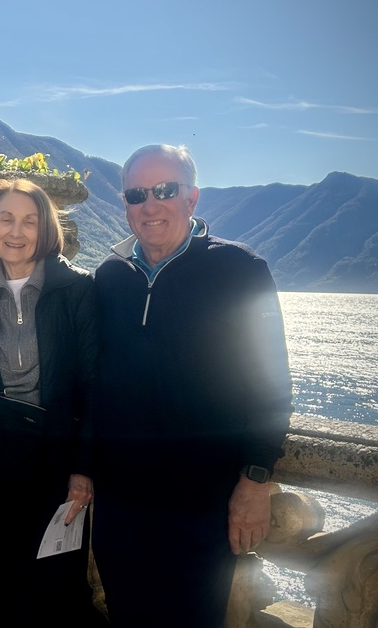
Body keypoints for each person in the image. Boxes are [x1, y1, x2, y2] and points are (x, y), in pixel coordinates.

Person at [91, 144, 293, 626]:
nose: (150, 204)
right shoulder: (109, 277)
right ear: (125, 204)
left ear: (192, 198)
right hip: (122, 502)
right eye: (137, 194)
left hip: (202, 503)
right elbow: (94, 380)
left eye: (165, 190)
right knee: (125, 615)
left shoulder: (239, 270)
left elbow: (272, 381)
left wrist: (256, 479)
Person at [0, 178, 107, 626]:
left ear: (45, 230)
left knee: (56, 591)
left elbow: (94, 385)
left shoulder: (76, 291)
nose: (18, 231)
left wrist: (84, 468)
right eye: (7, 219)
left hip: (56, 465)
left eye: (30, 221)